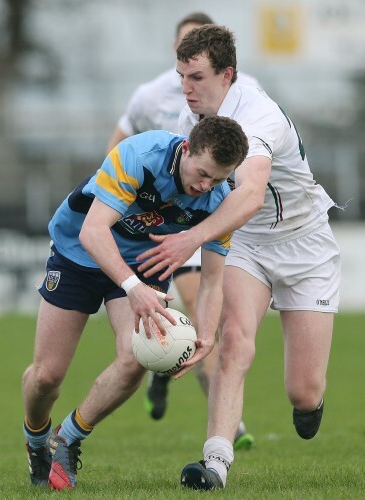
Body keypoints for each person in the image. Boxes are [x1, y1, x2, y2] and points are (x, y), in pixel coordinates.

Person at [136, 25, 341, 490]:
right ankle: (215, 465)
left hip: (304, 243)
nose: (185, 88)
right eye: (181, 76)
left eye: (196, 78)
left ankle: (310, 404)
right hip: (246, 241)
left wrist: (189, 241)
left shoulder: (256, 116)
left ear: (227, 75)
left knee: (303, 391)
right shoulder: (200, 120)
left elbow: (248, 194)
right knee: (233, 341)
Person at [22, 115, 249, 490]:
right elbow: (92, 232)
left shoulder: (219, 201)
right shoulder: (140, 155)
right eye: (203, 173)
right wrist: (132, 287)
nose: (205, 185)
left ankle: (68, 438)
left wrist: (207, 335)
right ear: (187, 148)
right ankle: (35, 441)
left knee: (136, 356)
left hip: (143, 262)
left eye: (219, 179)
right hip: (77, 252)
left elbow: (211, 280)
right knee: (46, 376)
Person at [107, 11, 260, 450]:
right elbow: (120, 142)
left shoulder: (249, 99)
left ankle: (204, 398)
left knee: (209, 311)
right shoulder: (159, 98)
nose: (187, 82)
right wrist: (113, 194)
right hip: (173, 223)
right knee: (186, 309)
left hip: (216, 219)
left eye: (196, 71)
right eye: (182, 67)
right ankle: (209, 399)